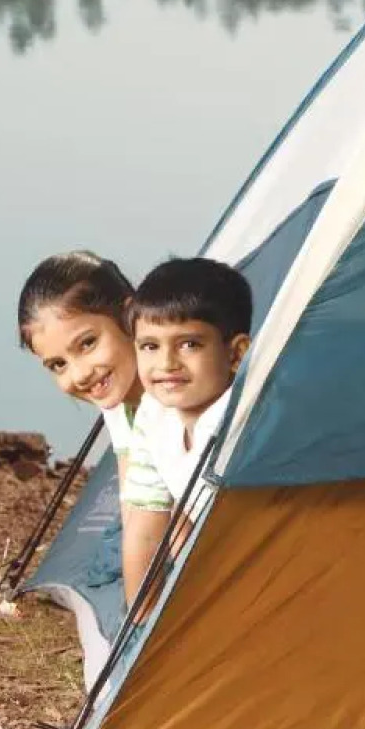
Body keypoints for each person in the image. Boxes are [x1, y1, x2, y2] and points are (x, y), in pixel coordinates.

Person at [16, 251, 173, 685]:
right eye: (58, 365)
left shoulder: (174, 395)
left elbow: (166, 520)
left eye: (87, 343)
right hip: (159, 517)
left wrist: (143, 619)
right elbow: (133, 494)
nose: (80, 374)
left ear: (130, 316)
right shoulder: (121, 402)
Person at [121, 257, 253, 615]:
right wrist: (139, 623)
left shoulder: (245, 421)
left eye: (189, 345)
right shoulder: (152, 412)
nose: (166, 364)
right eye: (149, 346)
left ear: (236, 353)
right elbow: (145, 525)